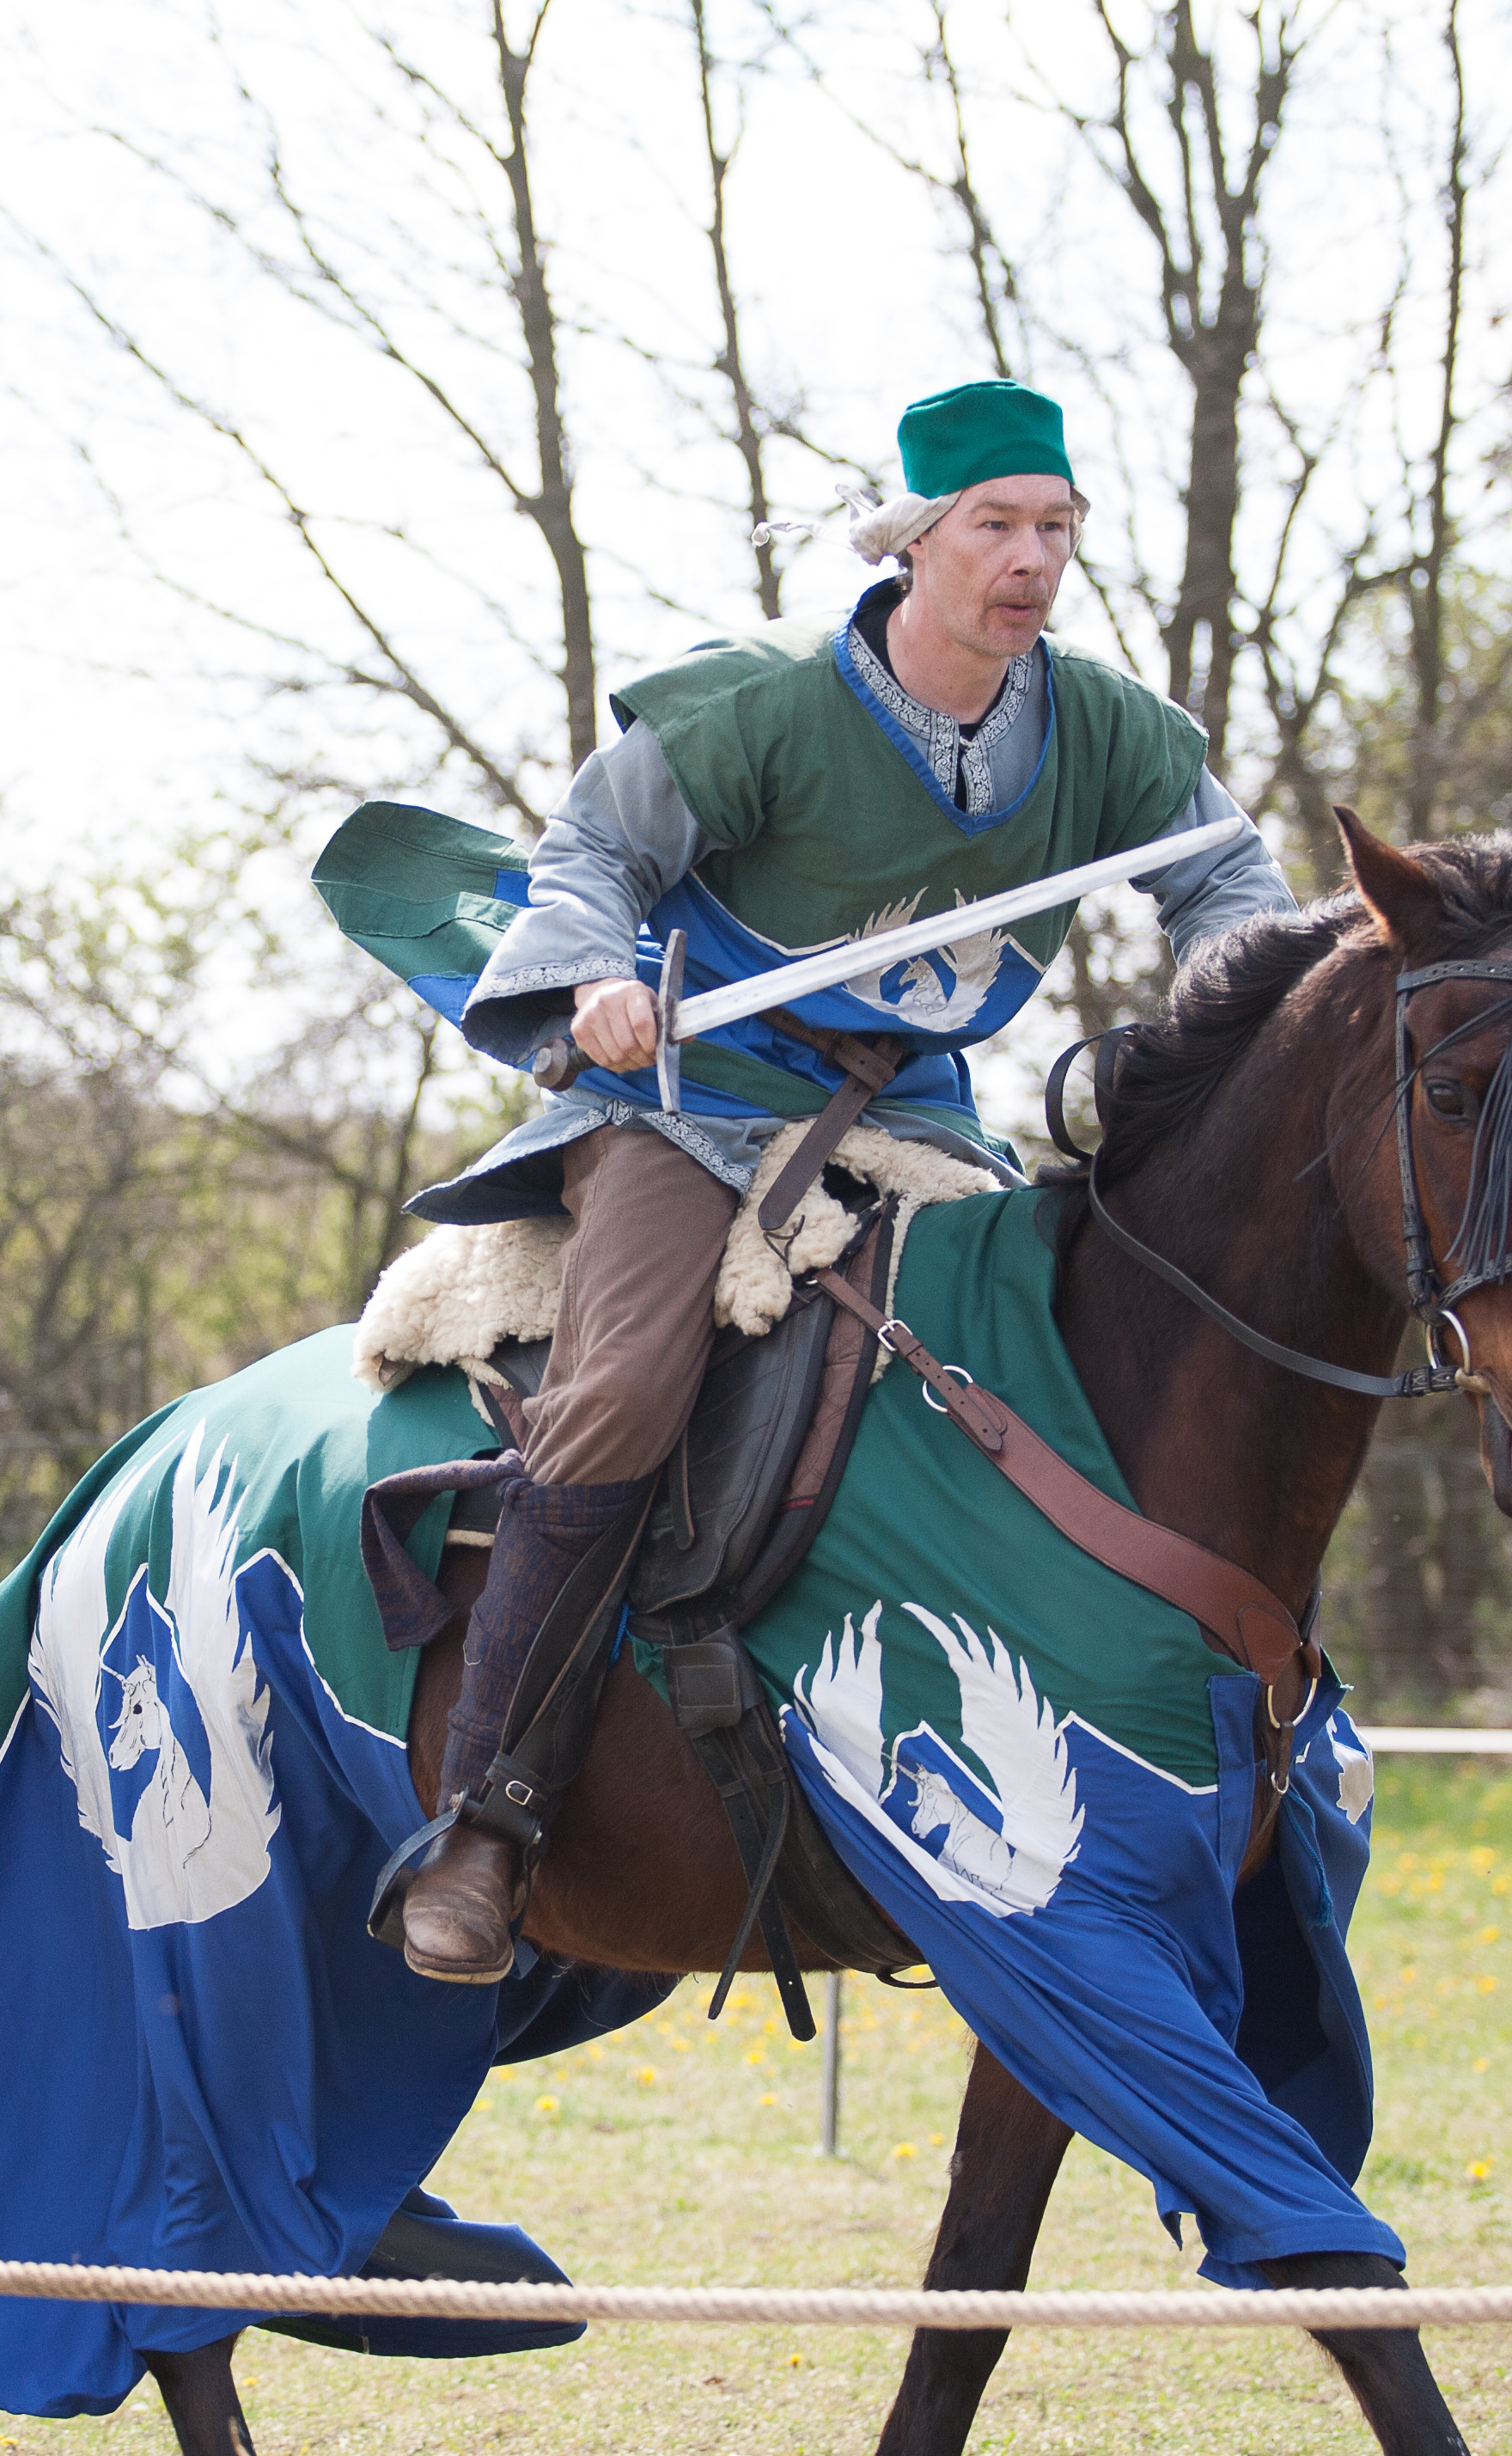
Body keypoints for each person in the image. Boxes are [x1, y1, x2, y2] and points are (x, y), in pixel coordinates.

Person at [378, 379, 1298, 1983]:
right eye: (994, 525)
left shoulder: (1107, 732)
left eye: (1056, 527)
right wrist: (595, 974)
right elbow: (590, 852)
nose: (1030, 560)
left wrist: (1230, 1010)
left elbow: (1225, 876)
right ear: (913, 541)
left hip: (917, 1112)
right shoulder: (764, 701)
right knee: (625, 1385)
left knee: (1046, 1370)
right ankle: (488, 1816)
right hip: (691, 1096)